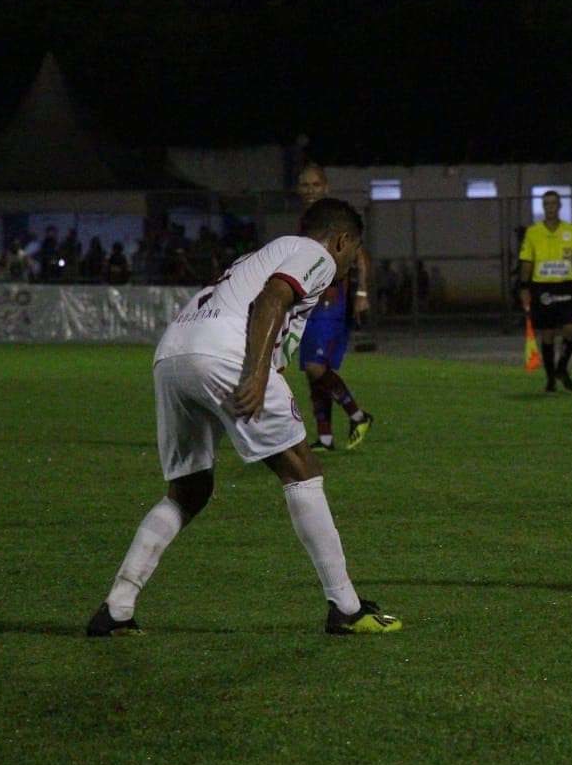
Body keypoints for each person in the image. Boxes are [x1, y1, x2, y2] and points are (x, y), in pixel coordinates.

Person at [85, 198, 401, 636]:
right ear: (342, 240)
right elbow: (272, 299)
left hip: (173, 353)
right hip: (225, 352)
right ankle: (346, 607)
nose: (349, 261)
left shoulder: (262, 253)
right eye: (352, 250)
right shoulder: (318, 256)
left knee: (188, 490)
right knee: (301, 468)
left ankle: (117, 607)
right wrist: (255, 373)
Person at [295, 163, 374, 451]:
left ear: (325, 187)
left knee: (316, 367)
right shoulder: (307, 220)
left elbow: (361, 255)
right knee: (313, 371)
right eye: (305, 185)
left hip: (331, 300)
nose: (310, 190)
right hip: (312, 302)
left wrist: (362, 293)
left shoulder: (334, 216)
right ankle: (325, 438)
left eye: (315, 185)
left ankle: (358, 415)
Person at [517, 190, 572, 392]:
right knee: (547, 335)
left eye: (554, 203)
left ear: (559, 206)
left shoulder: (571, 230)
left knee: (571, 330)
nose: (550, 207)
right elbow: (526, 262)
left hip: (566, 285)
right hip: (543, 288)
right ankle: (550, 378)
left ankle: (562, 368)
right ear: (543, 207)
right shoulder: (533, 232)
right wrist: (524, 287)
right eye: (546, 203)